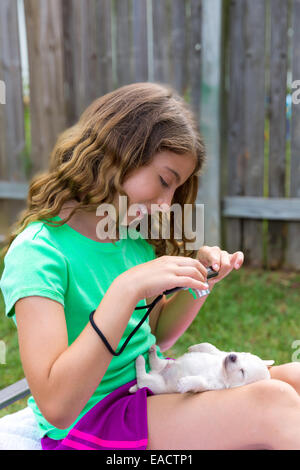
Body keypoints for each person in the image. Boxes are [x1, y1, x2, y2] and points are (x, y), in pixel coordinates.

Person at [1, 82, 300, 451]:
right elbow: (57, 404)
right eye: (163, 181)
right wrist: (125, 290)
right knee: (273, 405)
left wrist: (199, 282)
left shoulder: (132, 242)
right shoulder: (38, 254)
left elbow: (156, 338)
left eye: (175, 190)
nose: (164, 204)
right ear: (116, 153)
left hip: (151, 387)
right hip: (92, 420)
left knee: (295, 379)